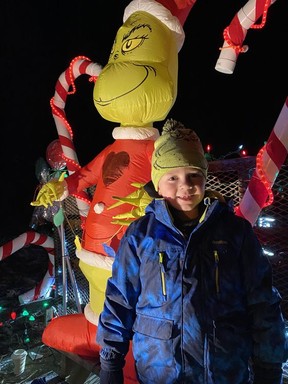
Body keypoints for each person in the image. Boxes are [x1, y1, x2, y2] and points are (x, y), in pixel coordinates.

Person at [96, 119, 287, 384]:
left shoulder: (235, 232)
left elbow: (263, 300)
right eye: (172, 177)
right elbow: (119, 300)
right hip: (160, 372)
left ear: (205, 179)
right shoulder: (141, 236)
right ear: (158, 185)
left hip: (224, 371)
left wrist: (269, 364)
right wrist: (110, 362)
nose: (185, 186)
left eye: (193, 175)